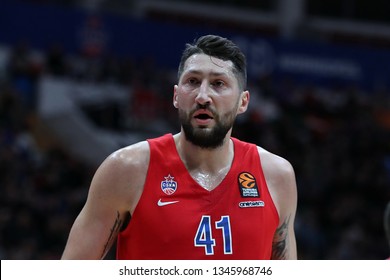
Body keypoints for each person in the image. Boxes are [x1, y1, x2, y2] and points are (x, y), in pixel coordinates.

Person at [61, 34, 298, 260]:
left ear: (243, 102)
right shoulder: (126, 170)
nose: (203, 96)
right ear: (176, 96)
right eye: (193, 82)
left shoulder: (276, 176)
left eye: (218, 83)